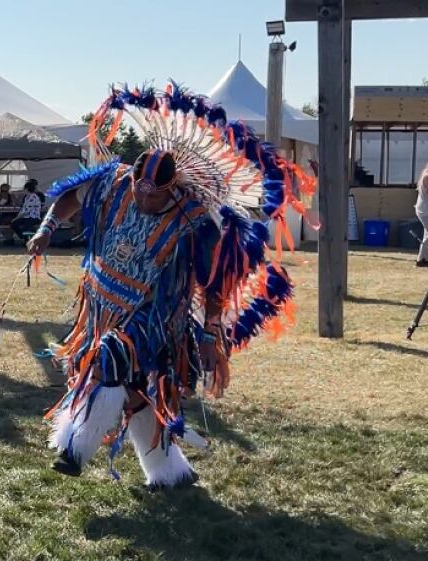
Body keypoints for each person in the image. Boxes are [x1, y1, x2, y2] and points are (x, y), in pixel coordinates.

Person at [26, 82, 314, 489]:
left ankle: (74, 448)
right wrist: (46, 228)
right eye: (139, 190)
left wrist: (212, 333)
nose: (144, 199)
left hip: (156, 318)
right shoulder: (114, 181)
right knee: (138, 393)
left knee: (112, 361)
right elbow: (70, 196)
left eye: (154, 195)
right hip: (100, 304)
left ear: (171, 188)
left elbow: (216, 282)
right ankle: (169, 473)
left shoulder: (195, 220)